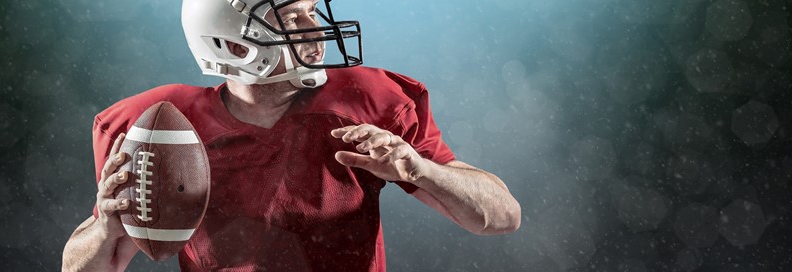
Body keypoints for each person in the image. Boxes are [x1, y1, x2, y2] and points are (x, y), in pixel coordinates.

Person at [61, 0, 521, 271]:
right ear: (233, 43)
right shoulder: (160, 128)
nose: (316, 28)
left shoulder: (367, 101)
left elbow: (501, 216)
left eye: (312, 11)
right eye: (290, 17)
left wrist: (420, 169)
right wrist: (106, 226)